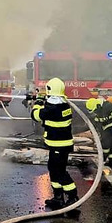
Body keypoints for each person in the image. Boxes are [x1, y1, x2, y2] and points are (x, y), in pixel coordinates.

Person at [31, 77, 78, 210]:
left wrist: (38, 101)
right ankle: (58, 197)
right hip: (58, 145)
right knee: (53, 169)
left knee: (60, 171)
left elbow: (35, 115)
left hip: (59, 146)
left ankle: (72, 196)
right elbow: (52, 106)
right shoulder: (62, 104)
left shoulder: (53, 108)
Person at [91, 95, 112, 168]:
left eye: (95, 110)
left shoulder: (108, 106)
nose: (95, 112)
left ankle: (103, 159)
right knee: (110, 144)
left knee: (105, 145)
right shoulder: (100, 110)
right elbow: (97, 121)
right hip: (107, 128)